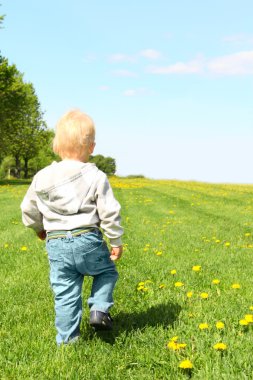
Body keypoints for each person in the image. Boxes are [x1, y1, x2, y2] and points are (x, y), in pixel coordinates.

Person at [21, 109, 123, 345]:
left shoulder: (42, 176)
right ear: (92, 146)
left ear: (56, 146)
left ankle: (67, 342)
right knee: (106, 272)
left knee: (65, 292)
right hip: (86, 239)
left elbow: (28, 208)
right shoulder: (96, 175)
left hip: (56, 243)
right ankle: (98, 309)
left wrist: (38, 228)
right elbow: (109, 211)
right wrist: (115, 240)